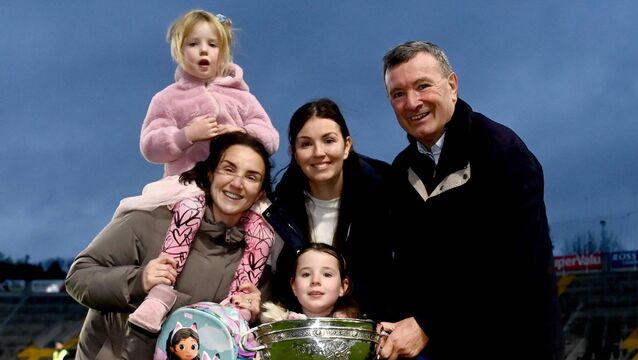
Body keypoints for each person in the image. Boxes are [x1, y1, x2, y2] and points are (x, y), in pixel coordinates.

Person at [377, 41, 563, 360]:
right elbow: (406, 272)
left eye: (423, 86)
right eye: (398, 94)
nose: (412, 102)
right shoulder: (401, 172)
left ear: (452, 85)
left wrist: (427, 323)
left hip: (513, 346)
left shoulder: (503, 152)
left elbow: (512, 268)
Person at [116, 9, 278, 333]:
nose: (203, 51)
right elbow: (149, 145)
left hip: (232, 192)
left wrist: (239, 133)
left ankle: (238, 307)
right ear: (179, 49)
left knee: (263, 230)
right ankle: (161, 294)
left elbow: (269, 137)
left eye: (212, 44)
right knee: (191, 206)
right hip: (185, 184)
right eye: (193, 44)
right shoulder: (167, 99)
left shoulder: (242, 96)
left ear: (224, 50)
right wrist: (185, 135)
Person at [66, 132, 272, 359]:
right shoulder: (148, 220)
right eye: (229, 169)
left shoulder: (257, 260)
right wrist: (139, 280)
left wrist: (257, 314)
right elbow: (78, 277)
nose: (237, 183)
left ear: (260, 193)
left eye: (251, 177)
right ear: (211, 173)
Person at [263, 98, 395, 322]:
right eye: (306, 144)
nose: (318, 152)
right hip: (304, 334)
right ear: (294, 153)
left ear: (347, 146)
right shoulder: (280, 211)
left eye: (328, 140)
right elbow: (279, 283)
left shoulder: (385, 197)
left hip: (376, 332)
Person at [260, 243, 358, 322]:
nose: (315, 281)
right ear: (294, 286)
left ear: (343, 286)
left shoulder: (357, 330)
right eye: (306, 274)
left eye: (327, 274)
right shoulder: (275, 328)